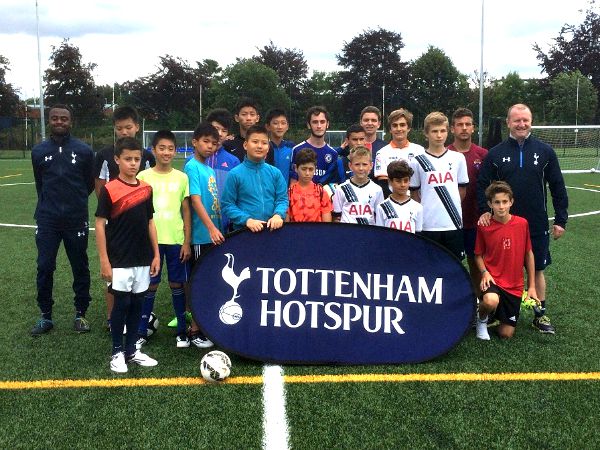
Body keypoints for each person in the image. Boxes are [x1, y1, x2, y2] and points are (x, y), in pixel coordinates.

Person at [477, 103, 568, 334]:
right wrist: (483, 211)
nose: (521, 124)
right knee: (499, 268)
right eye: (516, 120)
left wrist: (561, 219)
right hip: (503, 225)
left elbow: (557, 186)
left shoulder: (545, 151)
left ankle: (540, 314)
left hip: (536, 223)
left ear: (531, 121)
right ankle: (495, 311)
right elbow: (482, 185)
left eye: (525, 120)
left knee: (537, 269)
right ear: (508, 122)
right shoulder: (495, 153)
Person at [95, 137, 160, 373]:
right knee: (121, 304)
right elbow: (100, 224)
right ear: (117, 160)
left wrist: (156, 255)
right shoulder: (110, 189)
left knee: (137, 304)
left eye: (137, 159)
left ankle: (132, 350)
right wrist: (104, 259)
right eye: (128, 159)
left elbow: (150, 222)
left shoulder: (146, 189)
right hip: (120, 258)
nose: (133, 163)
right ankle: (116, 352)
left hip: (143, 257)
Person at [30, 104, 95, 336]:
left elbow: (88, 184)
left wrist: (73, 203)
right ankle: (45, 316)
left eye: (64, 119)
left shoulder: (85, 151)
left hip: (76, 219)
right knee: (45, 266)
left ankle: (81, 314)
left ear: (71, 122)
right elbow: (41, 184)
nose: (59, 122)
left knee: (80, 266)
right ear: (49, 121)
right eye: (55, 118)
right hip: (47, 219)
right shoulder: (38, 151)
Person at [94, 105, 155, 330]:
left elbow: (151, 184)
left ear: (137, 128)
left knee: (140, 271)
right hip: (115, 225)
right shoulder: (103, 155)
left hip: (140, 222)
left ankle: (139, 316)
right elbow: (101, 188)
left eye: (128, 127)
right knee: (115, 275)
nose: (124, 132)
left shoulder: (147, 156)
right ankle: (113, 318)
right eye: (119, 128)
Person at [136, 130, 192, 349]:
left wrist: (186, 241)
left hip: (176, 239)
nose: (166, 152)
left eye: (170, 148)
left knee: (176, 283)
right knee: (151, 284)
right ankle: (142, 331)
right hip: (152, 241)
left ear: (175, 151)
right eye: (162, 148)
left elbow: (186, 211)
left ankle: (181, 332)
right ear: (153, 150)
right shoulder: (143, 177)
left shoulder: (182, 177)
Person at [474, 181, 537, 340]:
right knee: (490, 301)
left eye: (504, 202)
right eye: (497, 202)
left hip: (514, 285)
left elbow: (528, 254)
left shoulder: (522, 224)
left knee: (505, 334)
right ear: (490, 204)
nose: (501, 206)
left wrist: (531, 286)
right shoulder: (484, 225)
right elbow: (478, 255)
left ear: (511, 202)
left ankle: (497, 314)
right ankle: (481, 319)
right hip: (493, 279)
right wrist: (485, 272)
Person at [184, 122, 224, 348]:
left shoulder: (209, 169)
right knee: (198, 282)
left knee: (210, 281)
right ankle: (195, 329)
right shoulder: (192, 167)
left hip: (213, 234)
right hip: (201, 235)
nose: (210, 146)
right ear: (195, 142)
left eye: (214, 143)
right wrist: (209, 227)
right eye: (206, 142)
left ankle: (205, 324)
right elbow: (195, 200)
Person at [409, 112, 468, 260]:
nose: (439, 135)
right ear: (426, 133)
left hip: (452, 222)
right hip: (428, 224)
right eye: (434, 131)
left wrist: (449, 208)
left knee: (454, 266)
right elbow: (415, 194)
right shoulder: (417, 161)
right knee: (430, 266)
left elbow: (462, 190)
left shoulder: (458, 158)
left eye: (442, 131)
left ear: (448, 132)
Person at [448, 108, 488, 297]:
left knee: (476, 264)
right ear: (452, 129)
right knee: (450, 264)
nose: (464, 128)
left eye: (468, 124)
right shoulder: (443, 153)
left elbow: (491, 188)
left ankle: (479, 306)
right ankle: (453, 303)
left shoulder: (483, 155)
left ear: (473, 128)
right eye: (459, 125)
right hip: (449, 222)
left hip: (476, 221)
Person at [221, 124, 288, 232]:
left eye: (264, 143)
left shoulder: (275, 173)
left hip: (272, 232)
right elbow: (227, 205)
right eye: (255, 142)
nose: (260, 146)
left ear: (268, 147)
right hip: (244, 232)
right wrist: (247, 220)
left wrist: (278, 215)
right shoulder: (234, 174)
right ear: (246, 145)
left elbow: (282, 199)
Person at [204, 108, 241, 233]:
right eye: (216, 128)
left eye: (224, 130)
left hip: (225, 227)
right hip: (200, 226)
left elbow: (237, 194)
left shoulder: (233, 161)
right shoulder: (194, 160)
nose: (219, 133)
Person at [374, 108, 425, 197]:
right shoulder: (381, 153)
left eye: (402, 125)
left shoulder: (420, 150)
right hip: (393, 201)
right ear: (390, 129)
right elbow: (383, 184)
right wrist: (399, 201)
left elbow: (424, 180)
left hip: (416, 201)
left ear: (408, 128)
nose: (399, 129)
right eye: (395, 125)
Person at [332, 146, 383, 224]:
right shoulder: (341, 189)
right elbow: (337, 217)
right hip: (348, 234)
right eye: (357, 164)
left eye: (365, 164)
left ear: (371, 166)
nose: (361, 168)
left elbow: (379, 217)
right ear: (350, 166)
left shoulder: (377, 190)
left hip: (368, 233)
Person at [290, 106, 339, 185]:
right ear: (309, 125)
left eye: (322, 122)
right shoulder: (297, 149)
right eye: (315, 122)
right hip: (302, 196)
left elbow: (334, 184)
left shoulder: (333, 153)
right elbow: (293, 183)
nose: (319, 126)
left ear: (327, 124)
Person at [375, 160, 423, 234]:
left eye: (406, 180)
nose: (403, 184)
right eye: (398, 181)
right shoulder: (382, 207)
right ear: (390, 182)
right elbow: (380, 235)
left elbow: (418, 235)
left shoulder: (418, 207)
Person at [286, 148, 333, 222]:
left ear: (315, 169)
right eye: (304, 169)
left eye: (311, 169)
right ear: (296, 168)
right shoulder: (289, 193)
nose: (307, 173)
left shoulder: (322, 193)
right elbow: (287, 223)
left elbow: (326, 225)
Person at [223, 97, 260, 162]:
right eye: (244, 114)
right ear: (237, 118)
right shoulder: (228, 144)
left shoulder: (265, 145)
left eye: (252, 114)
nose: (248, 118)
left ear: (257, 118)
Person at [265, 108, 295, 185]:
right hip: (267, 194)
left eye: (283, 123)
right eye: (275, 123)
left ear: (287, 126)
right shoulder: (263, 148)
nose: (280, 127)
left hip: (286, 195)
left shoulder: (292, 148)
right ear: (268, 126)